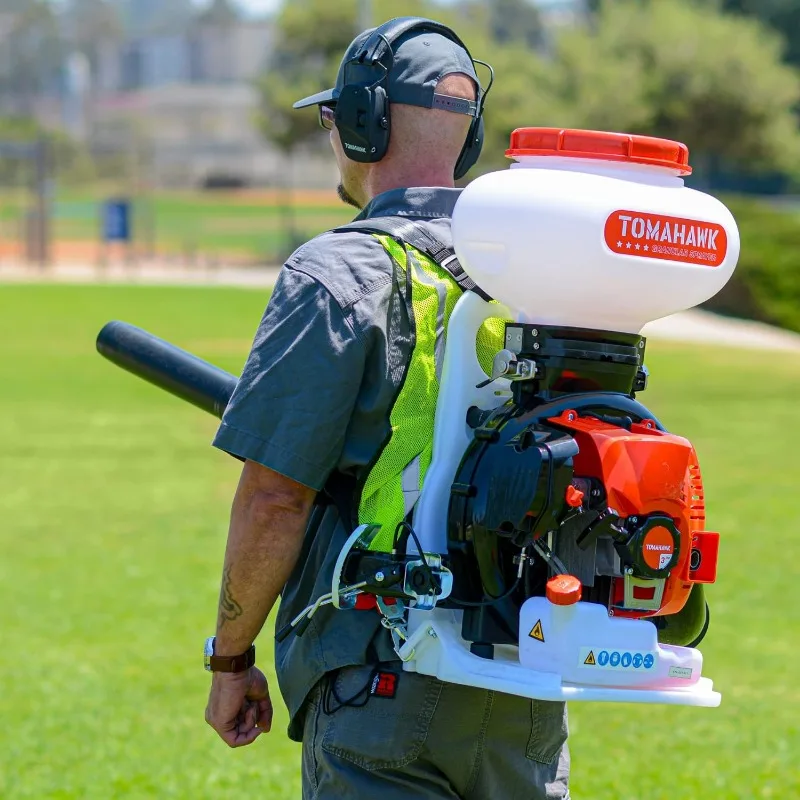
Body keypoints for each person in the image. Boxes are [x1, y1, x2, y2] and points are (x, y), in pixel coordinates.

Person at [203, 17, 570, 800]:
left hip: (385, 681)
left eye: (335, 119)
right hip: (526, 688)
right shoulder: (537, 272)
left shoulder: (338, 269)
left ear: (364, 123)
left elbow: (276, 498)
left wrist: (230, 658)